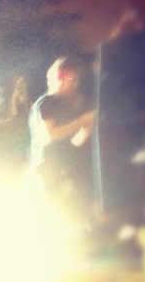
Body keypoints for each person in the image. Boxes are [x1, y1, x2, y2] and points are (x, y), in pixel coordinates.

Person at [28, 55, 97, 218]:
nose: (75, 84)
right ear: (60, 78)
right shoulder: (45, 103)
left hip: (69, 170)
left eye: (76, 80)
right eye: (71, 80)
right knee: (58, 216)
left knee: (77, 214)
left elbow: (74, 141)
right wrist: (83, 120)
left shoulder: (68, 105)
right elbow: (50, 135)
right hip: (49, 173)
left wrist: (87, 129)